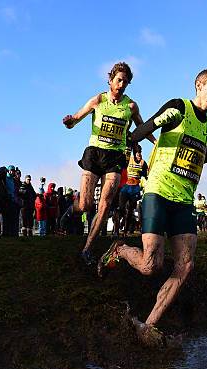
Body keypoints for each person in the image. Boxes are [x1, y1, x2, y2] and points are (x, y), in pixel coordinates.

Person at [98, 68, 207, 346]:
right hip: (158, 192)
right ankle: (120, 249)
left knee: (186, 265)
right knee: (150, 265)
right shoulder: (178, 107)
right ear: (199, 85)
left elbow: (202, 156)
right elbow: (137, 133)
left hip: (184, 201)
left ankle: (147, 326)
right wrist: (157, 123)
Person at [62, 62, 152, 266]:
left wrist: (156, 143)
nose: (121, 85)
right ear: (110, 80)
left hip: (115, 157)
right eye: (119, 80)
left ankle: (87, 249)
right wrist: (70, 121)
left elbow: (142, 128)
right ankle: (71, 210)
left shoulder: (130, 106)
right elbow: (76, 118)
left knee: (104, 205)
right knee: (86, 204)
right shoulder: (98, 100)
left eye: (126, 82)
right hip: (94, 153)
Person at [118, 144, 146, 235]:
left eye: (140, 154)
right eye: (137, 154)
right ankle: (119, 224)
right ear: (134, 154)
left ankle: (126, 231)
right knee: (122, 208)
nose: (139, 156)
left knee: (130, 210)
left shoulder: (143, 163)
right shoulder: (129, 160)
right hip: (126, 187)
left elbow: (146, 175)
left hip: (135, 189)